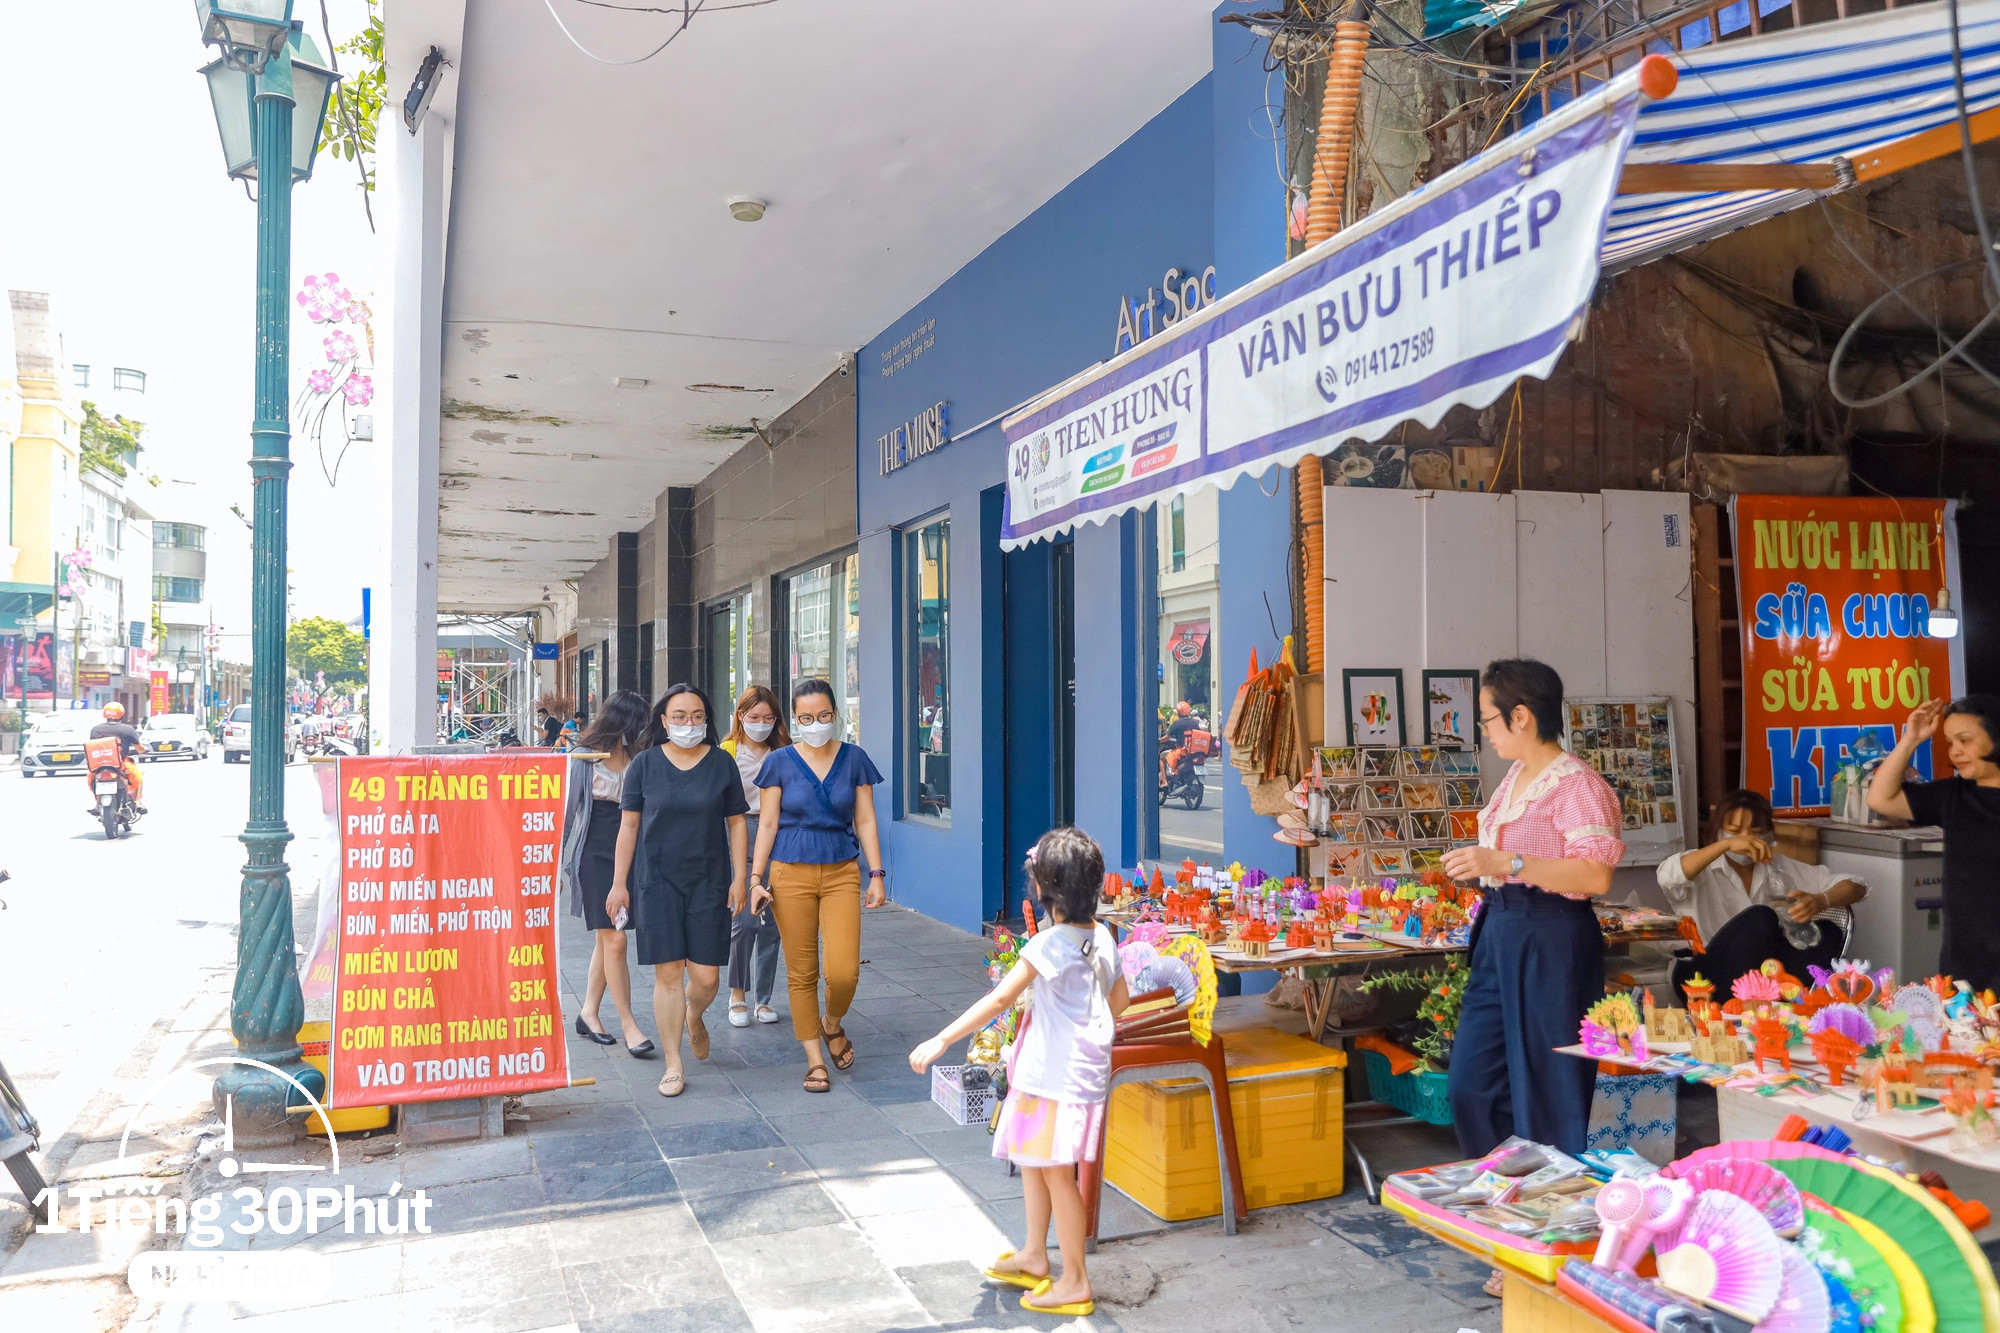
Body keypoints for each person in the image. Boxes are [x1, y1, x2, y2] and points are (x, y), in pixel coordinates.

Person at [910, 828, 1131, 1318]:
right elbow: (1119, 1002)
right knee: (1036, 1161)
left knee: (1056, 1174)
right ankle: (1034, 1254)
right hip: (1054, 1075)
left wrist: (942, 1039)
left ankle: (1074, 1279)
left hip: (1054, 1078)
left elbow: (1000, 998)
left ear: (1045, 891)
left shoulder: (1050, 945)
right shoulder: (1103, 938)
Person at [1440, 659, 1625, 1161]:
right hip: (1501, 927)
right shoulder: (1515, 777)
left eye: (1486, 719)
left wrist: (1508, 861)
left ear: (1519, 716)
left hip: (1551, 933)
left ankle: (1550, 1204)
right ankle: (1502, 1183)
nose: (1484, 731)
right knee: (1472, 1083)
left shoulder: (1578, 786)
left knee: (1547, 1084)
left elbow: (1595, 874)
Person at [608, 684, 749, 1097]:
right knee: (668, 974)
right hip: (657, 882)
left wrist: (741, 877)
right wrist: (619, 883)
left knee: (706, 979)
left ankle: (693, 1015)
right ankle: (673, 1061)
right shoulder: (645, 765)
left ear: (707, 719)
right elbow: (628, 826)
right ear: (664, 721)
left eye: (698, 715)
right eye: (680, 716)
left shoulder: (722, 763)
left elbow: (737, 823)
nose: (690, 723)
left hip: (709, 880)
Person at [748, 678, 888, 1093]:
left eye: (823, 716)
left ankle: (831, 1023)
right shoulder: (779, 762)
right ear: (795, 718)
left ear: (836, 715)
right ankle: (814, 1059)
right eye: (806, 718)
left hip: (842, 869)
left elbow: (864, 819)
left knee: (843, 971)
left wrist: (876, 874)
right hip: (789, 872)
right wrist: (756, 879)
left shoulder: (855, 759)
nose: (816, 724)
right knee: (801, 971)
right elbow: (768, 823)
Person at [1659, 788, 1866, 1003]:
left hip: (1762, 977)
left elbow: (1857, 886)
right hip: (1703, 975)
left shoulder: (1782, 867)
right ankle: (1749, 1003)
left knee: (1827, 931)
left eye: (1755, 831)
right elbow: (1667, 877)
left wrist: (1820, 901)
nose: (1746, 839)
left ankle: (1789, 1005)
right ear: (1718, 832)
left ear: (1769, 834)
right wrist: (1725, 846)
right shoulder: (1702, 866)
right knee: (1761, 918)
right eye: (1734, 831)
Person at [1868, 694, 2000, 992]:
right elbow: (1881, 799)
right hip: (1966, 961)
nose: (1955, 752)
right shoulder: (1954, 795)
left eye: (1964, 740)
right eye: (1950, 742)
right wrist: (1910, 740)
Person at [572, 690, 654, 1057]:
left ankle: (588, 1012)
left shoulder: (639, 756)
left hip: (628, 853)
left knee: (606, 940)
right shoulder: (584, 757)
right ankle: (629, 1025)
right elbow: (564, 812)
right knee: (616, 940)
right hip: (593, 853)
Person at [720, 685, 787, 1027]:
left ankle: (763, 998)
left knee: (772, 924)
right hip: (741, 831)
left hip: (779, 835)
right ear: (741, 716)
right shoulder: (728, 751)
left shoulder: (786, 751)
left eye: (768, 717)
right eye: (753, 717)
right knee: (744, 919)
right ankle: (737, 993)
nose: (761, 723)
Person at [89, 702, 145, 812]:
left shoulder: (96, 730)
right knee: (139, 777)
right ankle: (138, 802)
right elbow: (140, 749)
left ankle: (97, 804)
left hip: (99, 766)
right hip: (121, 765)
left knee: (92, 779)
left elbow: (93, 747)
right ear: (121, 715)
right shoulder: (128, 729)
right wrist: (144, 751)